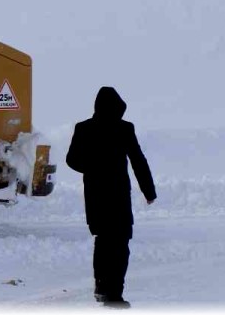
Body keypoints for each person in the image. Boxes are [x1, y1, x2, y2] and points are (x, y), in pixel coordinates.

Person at [65, 86, 156, 309]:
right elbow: (138, 160)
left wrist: (92, 168)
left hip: (95, 195)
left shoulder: (84, 128)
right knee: (120, 243)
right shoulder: (124, 128)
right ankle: (114, 294)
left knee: (104, 241)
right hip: (118, 195)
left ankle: (102, 287)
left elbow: (72, 160)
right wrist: (149, 191)